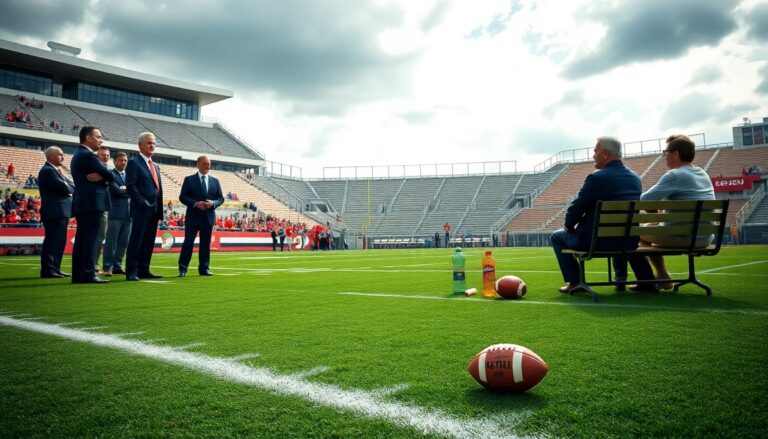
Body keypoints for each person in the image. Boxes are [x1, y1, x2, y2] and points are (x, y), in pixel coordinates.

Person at [551, 136, 655, 293]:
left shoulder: (597, 177)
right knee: (619, 234)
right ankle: (646, 281)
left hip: (596, 242)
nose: (593, 155)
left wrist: (568, 226)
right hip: (628, 241)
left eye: (595, 151)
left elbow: (577, 207)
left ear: (605, 153)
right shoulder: (635, 178)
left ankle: (575, 282)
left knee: (556, 236)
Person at [638, 134, 716, 289]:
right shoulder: (702, 173)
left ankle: (662, 276)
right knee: (650, 225)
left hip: (686, 237)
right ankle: (662, 276)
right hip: (706, 237)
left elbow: (644, 199)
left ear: (675, 154)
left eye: (665, 152)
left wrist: (653, 208)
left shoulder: (675, 175)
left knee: (638, 233)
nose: (664, 156)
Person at [70, 126, 114, 283]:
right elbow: (111, 176)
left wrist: (102, 177)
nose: (101, 140)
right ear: (88, 138)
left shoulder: (78, 154)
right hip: (93, 203)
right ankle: (88, 273)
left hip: (83, 202)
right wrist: (104, 177)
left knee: (82, 240)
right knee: (90, 240)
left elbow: (106, 176)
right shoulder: (89, 155)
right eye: (98, 137)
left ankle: (78, 274)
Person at [125, 132, 164, 281]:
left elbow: (158, 189)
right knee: (137, 240)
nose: (152, 145)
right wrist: (142, 203)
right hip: (141, 209)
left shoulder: (155, 166)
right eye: (149, 143)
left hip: (154, 209)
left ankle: (144, 269)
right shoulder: (134, 163)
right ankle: (132, 271)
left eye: (153, 143)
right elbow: (131, 186)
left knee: (148, 241)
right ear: (140, 145)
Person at [178, 155, 223, 277]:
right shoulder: (189, 180)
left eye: (209, 164)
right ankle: (183, 269)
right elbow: (182, 197)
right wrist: (195, 204)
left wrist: (213, 203)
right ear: (197, 164)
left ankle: (204, 268)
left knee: (205, 244)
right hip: (193, 217)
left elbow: (220, 198)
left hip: (208, 217)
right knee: (188, 243)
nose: (207, 166)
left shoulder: (215, 181)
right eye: (204, 163)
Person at [38, 146, 75, 278]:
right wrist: (69, 188)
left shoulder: (56, 171)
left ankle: (55, 268)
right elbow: (63, 187)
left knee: (59, 241)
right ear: (50, 156)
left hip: (61, 211)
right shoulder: (48, 171)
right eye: (60, 154)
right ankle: (48, 270)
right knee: (53, 241)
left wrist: (68, 188)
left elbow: (71, 186)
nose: (63, 157)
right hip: (54, 211)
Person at [102, 152, 131, 276]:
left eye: (125, 160)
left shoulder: (129, 175)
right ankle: (108, 267)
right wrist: (127, 189)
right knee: (111, 242)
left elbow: (134, 190)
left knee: (123, 242)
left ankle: (117, 265)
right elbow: (117, 191)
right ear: (114, 161)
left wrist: (125, 189)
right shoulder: (111, 174)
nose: (123, 162)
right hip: (115, 213)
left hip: (129, 214)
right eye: (121, 160)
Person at [94, 145, 111, 273]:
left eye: (107, 155)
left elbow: (113, 180)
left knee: (100, 237)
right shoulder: (93, 167)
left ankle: (94, 263)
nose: (105, 157)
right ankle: (91, 263)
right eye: (102, 155)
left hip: (105, 206)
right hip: (94, 205)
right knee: (93, 237)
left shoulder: (109, 169)